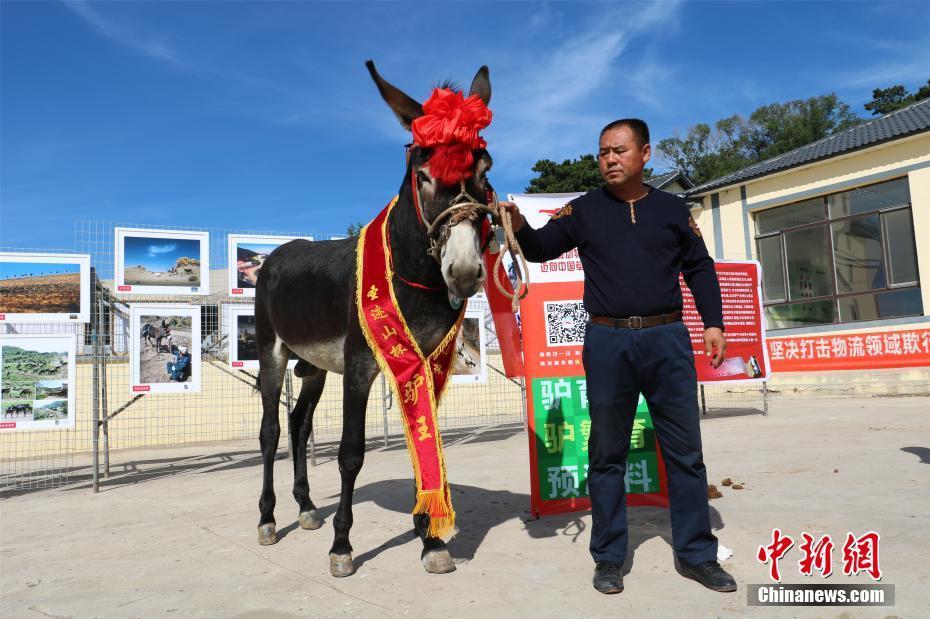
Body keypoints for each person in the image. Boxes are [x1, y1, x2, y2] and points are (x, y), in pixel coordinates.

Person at [499, 118, 736, 595]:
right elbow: (543, 251)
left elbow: (700, 268)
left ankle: (697, 554)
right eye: (603, 152)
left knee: (685, 453)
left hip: (668, 338)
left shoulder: (672, 209)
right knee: (607, 453)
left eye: (619, 151)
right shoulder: (585, 210)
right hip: (607, 342)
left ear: (644, 154)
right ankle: (608, 556)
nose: (609, 159)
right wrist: (521, 227)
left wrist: (713, 322)